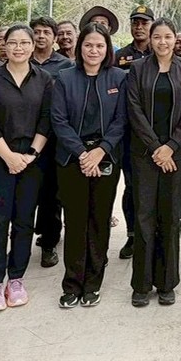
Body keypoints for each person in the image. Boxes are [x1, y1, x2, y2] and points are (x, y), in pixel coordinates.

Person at [52, 23, 129, 307]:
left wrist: (101, 151)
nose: (93, 50)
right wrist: (83, 154)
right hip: (72, 159)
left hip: (106, 158)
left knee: (99, 221)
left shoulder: (119, 77)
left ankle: (93, 283)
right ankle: (72, 284)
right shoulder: (64, 78)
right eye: (88, 45)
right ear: (79, 47)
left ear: (107, 49)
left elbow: (121, 120)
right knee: (75, 222)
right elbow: (58, 120)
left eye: (99, 45)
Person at [0, 24, 53, 313]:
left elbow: (46, 119)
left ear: (33, 46)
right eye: (13, 42)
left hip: (32, 160)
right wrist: (9, 157)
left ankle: (17, 278)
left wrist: (31, 155)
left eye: (24, 42)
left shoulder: (44, 79)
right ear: (3, 46)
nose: (18, 48)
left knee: (24, 221)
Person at [126, 18, 181, 306]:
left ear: (175, 39)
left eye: (168, 37)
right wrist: (156, 148)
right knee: (144, 216)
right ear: (151, 39)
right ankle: (141, 284)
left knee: (170, 217)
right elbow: (134, 110)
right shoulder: (137, 69)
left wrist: (170, 147)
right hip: (145, 155)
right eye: (157, 37)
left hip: (176, 155)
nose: (162, 42)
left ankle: (167, 283)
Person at [28, 15, 71, 270]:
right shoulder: (21, 59)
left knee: (51, 194)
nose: (41, 36)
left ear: (55, 38)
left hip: (55, 139)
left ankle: (49, 242)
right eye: (37, 31)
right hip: (24, 138)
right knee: (26, 192)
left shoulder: (66, 66)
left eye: (46, 32)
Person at [115, 5, 155, 261]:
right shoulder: (119, 56)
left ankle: (153, 235)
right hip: (129, 134)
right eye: (135, 22)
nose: (139, 27)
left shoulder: (160, 52)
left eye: (144, 22)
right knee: (131, 187)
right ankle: (132, 235)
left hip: (157, 134)